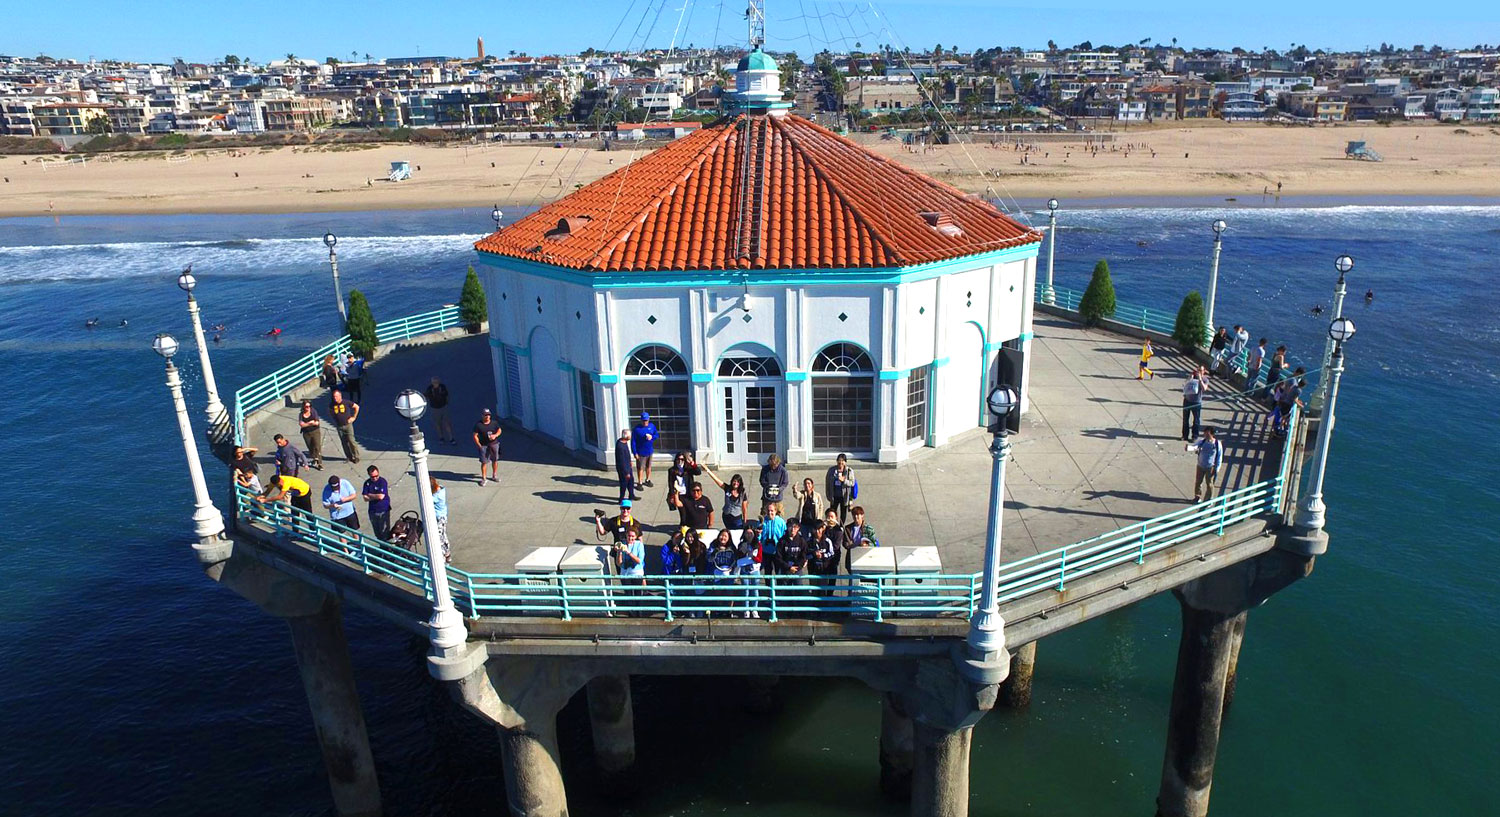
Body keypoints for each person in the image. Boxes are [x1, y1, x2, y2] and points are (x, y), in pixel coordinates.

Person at [1187, 428, 1223, 503]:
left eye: (1207, 434)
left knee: (1209, 483)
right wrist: (1188, 448)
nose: (1205, 435)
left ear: (1212, 434)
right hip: (1200, 465)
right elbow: (1195, 447)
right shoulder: (1202, 441)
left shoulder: (1217, 444)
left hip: (1210, 467)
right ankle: (1197, 496)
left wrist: (1217, 468)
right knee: (1198, 482)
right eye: (1205, 433)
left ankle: (1209, 500)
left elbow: (1219, 456)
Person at [665, 451, 702, 525]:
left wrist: (693, 463)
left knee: (690, 511)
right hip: (679, 494)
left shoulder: (688, 469)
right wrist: (672, 495)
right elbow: (670, 483)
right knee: (683, 512)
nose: (680, 461)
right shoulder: (672, 470)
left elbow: (698, 472)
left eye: (682, 459)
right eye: (678, 459)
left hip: (688, 493)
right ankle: (683, 526)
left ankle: (689, 525)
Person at [328, 389, 360, 463]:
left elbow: (357, 407)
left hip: (348, 425)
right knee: (344, 442)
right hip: (339, 426)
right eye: (334, 397)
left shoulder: (346, 402)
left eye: (336, 396)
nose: (335, 398)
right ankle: (349, 456)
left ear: (340, 396)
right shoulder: (332, 405)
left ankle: (356, 456)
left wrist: (354, 417)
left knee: (351, 440)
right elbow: (330, 411)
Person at [473, 408, 502, 484]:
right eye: (486, 415)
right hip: (484, 445)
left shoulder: (494, 423)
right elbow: (475, 435)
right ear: (482, 415)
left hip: (494, 444)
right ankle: (484, 478)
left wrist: (495, 435)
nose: (487, 416)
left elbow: (499, 430)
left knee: (495, 460)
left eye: (489, 415)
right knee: (484, 462)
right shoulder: (478, 425)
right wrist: (479, 445)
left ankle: (494, 475)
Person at [362, 465, 391, 541]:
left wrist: (370, 495)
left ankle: (387, 549)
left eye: (376, 476)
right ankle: (382, 548)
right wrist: (374, 496)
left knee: (384, 532)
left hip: (383, 509)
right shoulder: (367, 483)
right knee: (377, 532)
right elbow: (365, 498)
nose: (375, 478)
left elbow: (381, 496)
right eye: (372, 477)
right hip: (372, 510)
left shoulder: (382, 481)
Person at [825, 453, 855, 524]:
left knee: (843, 512)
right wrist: (828, 494)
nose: (840, 463)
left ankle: (841, 526)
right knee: (832, 511)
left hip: (844, 496)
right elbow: (827, 483)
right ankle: (832, 524)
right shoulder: (831, 470)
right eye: (839, 460)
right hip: (834, 495)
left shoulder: (849, 471)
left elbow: (852, 483)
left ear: (845, 462)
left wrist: (844, 480)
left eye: (842, 461)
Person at [424, 377, 455, 444]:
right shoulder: (430, 389)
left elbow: (446, 395)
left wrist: (446, 403)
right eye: (434, 382)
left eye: (436, 382)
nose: (435, 384)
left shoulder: (442, 387)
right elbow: (426, 395)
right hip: (434, 408)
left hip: (443, 407)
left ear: (439, 382)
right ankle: (441, 437)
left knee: (447, 423)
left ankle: (451, 438)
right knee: (437, 424)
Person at [631, 412, 657, 489]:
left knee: (648, 466)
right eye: (643, 420)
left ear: (648, 419)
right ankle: (640, 482)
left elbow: (656, 435)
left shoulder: (652, 427)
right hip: (641, 452)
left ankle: (648, 479)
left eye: (646, 420)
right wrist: (635, 452)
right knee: (640, 468)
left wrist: (651, 437)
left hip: (649, 451)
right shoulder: (636, 429)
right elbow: (633, 442)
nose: (645, 422)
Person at [613, 428, 638, 502]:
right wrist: (626, 472)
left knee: (631, 481)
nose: (631, 437)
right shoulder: (620, 447)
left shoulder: (623, 442)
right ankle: (621, 499)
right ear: (626, 436)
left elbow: (626, 455)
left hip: (627, 466)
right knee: (624, 483)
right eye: (630, 435)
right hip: (623, 469)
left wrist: (629, 461)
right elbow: (622, 461)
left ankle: (631, 495)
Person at [297, 400, 324, 469]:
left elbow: (317, 423)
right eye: (306, 406)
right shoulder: (301, 414)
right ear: (303, 407)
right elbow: (301, 425)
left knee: (317, 447)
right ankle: (315, 459)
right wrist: (310, 423)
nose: (308, 408)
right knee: (311, 448)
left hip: (315, 431)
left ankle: (319, 463)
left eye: (309, 406)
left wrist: (306, 424)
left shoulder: (313, 412)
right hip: (306, 433)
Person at [1181, 366, 1205, 441]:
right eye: (1198, 370)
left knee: (1196, 420)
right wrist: (1190, 378)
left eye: (1201, 371)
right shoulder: (1192, 377)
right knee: (1185, 420)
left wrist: (1200, 379)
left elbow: (1204, 388)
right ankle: (1185, 435)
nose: (1199, 372)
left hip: (1196, 402)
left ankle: (1194, 436)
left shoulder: (1205, 379)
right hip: (1187, 401)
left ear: (1204, 371)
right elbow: (1184, 385)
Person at [430, 477, 450, 561]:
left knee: (438, 537)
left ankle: (442, 555)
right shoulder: (441, 489)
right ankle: (447, 553)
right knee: (443, 535)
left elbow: (427, 499)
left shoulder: (436, 496)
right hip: (443, 516)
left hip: (438, 518)